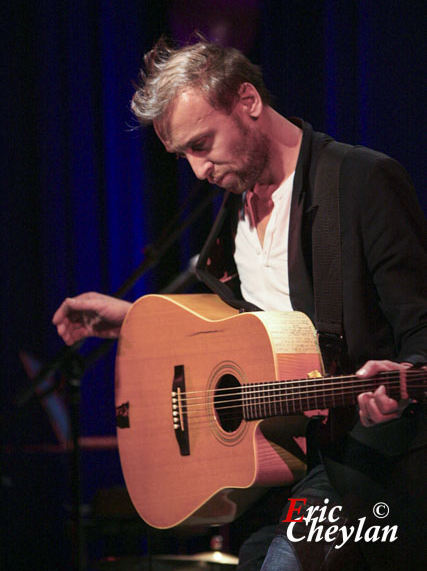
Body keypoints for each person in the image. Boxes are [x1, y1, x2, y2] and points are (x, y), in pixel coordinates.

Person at [53, 38, 427, 570]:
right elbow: (236, 333)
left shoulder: (362, 182)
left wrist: (403, 382)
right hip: (278, 476)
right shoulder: (233, 215)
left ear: (248, 101)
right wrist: (131, 318)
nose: (198, 170)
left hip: (364, 469)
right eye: (183, 155)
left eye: (202, 144)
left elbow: (421, 327)